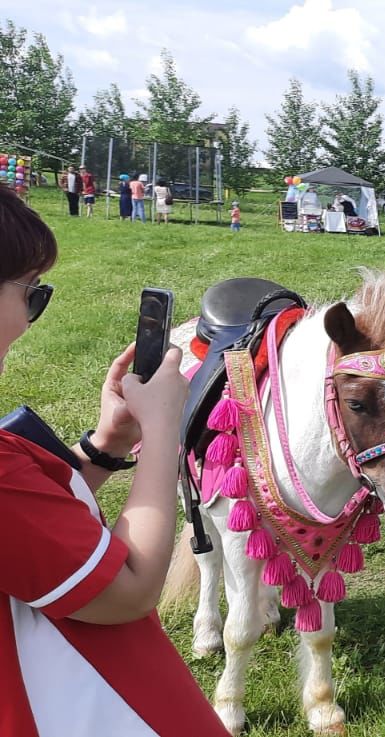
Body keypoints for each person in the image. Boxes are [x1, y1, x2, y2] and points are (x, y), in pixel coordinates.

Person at [0, 186, 229, 736]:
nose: (32, 316)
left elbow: (35, 529)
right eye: (30, 292)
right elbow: (127, 591)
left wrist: (110, 441)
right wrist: (164, 431)